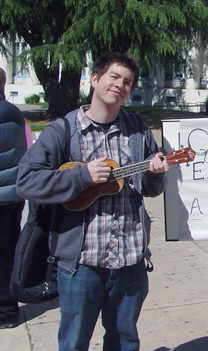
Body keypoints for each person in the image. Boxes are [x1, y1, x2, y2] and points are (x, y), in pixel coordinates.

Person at [17, 53, 169, 350]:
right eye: (114, 77)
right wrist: (82, 177)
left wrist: (155, 174)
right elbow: (26, 182)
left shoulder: (137, 131)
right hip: (81, 263)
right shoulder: (63, 131)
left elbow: (150, 189)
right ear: (95, 79)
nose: (121, 85)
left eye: (127, 82)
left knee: (125, 340)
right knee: (74, 342)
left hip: (130, 259)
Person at [0, 68, 27, 329]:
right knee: (10, 248)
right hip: (14, 192)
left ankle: (5, 311)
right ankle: (12, 302)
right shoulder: (13, 111)